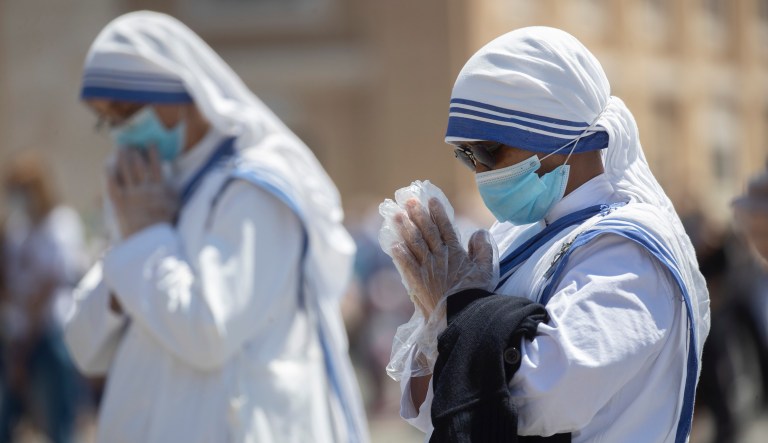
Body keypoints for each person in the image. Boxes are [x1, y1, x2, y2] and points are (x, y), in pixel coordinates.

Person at [385, 27, 710, 442]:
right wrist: (436, 319)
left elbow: (542, 400)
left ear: (553, 131)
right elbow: (435, 409)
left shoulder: (628, 251)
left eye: (487, 151)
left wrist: (457, 312)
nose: (480, 172)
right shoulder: (514, 236)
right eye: (465, 156)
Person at [63, 11, 368, 443]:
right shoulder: (146, 192)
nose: (120, 130)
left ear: (181, 90)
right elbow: (83, 345)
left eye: (127, 109)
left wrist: (146, 240)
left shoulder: (256, 189)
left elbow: (208, 332)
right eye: (106, 118)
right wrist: (129, 253)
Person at [0, 151, 84, 443]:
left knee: (58, 415)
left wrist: (28, 335)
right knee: (7, 413)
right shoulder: (18, 229)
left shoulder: (61, 225)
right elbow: (10, 282)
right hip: (18, 334)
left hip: (50, 333)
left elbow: (51, 282)